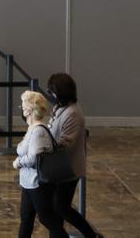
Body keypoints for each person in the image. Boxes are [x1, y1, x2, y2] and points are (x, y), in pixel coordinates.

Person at [47, 73, 102, 237]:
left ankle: (90, 234)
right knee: (56, 208)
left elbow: (66, 144)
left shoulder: (73, 113)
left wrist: (44, 144)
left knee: (61, 207)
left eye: (52, 92)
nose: (51, 95)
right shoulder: (60, 108)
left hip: (69, 169)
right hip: (59, 167)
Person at [14, 90, 66, 238]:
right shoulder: (32, 129)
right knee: (26, 219)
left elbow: (33, 157)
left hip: (38, 183)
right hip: (28, 182)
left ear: (29, 110)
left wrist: (17, 162)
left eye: (23, 105)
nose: (21, 108)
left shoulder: (38, 131)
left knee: (47, 219)